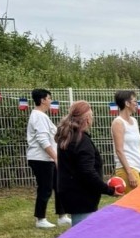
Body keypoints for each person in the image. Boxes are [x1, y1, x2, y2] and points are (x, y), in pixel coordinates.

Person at [55, 101, 120, 225]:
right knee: (82, 233)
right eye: (92, 116)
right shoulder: (82, 141)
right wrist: (109, 190)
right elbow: (87, 173)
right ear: (87, 120)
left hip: (69, 191)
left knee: (79, 230)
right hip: (81, 196)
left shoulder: (67, 136)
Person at [26, 87, 70, 229]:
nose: (51, 101)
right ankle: (40, 219)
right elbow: (42, 139)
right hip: (41, 159)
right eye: (49, 98)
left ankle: (62, 216)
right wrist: (55, 157)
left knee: (59, 186)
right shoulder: (38, 116)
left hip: (48, 158)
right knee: (45, 188)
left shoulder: (42, 116)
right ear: (43, 100)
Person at [111, 90, 140, 192]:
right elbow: (119, 150)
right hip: (128, 168)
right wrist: (129, 173)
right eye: (135, 101)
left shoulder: (134, 121)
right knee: (133, 205)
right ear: (127, 103)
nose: (136, 104)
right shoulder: (118, 122)